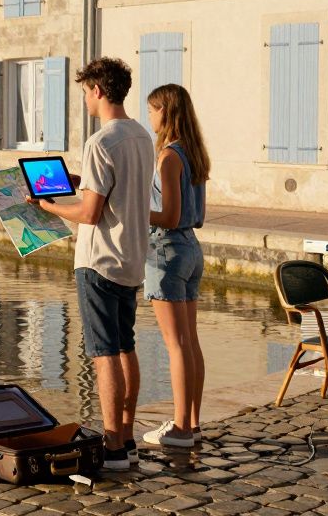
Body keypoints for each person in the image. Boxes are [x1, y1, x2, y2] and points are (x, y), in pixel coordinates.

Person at [30, 57, 154, 471]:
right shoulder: (141, 136)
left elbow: (90, 213)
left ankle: (113, 445)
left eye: (85, 92)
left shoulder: (100, 142)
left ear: (98, 90)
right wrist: (79, 182)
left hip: (98, 261)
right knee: (126, 347)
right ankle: (128, 437)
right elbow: (116, 192)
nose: (85, 99)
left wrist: (48, 206)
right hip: (131, 258)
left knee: (104, 354)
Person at [141, 84, 209, 449]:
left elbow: (167, 215)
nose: (149, 116)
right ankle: (192, 423)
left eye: (152, 110)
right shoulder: (193, 153)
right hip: (190, 249)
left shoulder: (169, 157)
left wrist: (132, 209)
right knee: (190, 341)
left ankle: (181, 429)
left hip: (166, 250)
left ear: (165, 112)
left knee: (176, 345)